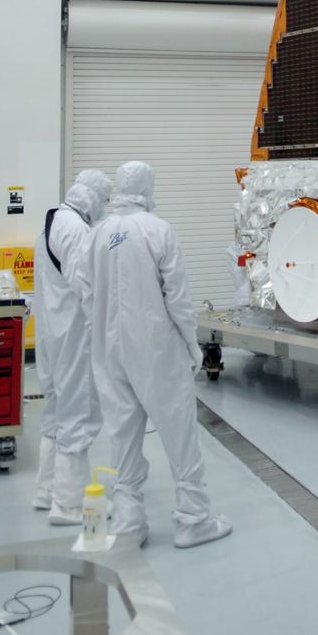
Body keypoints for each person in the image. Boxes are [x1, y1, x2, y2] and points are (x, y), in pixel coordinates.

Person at [86, 161, 232, 549]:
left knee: (122, 434)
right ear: (147, 187)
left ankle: (128, 522)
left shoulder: (97, 235)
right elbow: (178, 299)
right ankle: (193, 518)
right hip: (154, 346)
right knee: (178, 429)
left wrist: (101, 336)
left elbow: (86, 295)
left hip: (108, 347)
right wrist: (189, 342)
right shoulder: (158, 230)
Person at [32, 168, 112, 523]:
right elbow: (87, 287)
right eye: (105, 200)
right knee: (79, 410)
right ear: (93, 196)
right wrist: (106, 334)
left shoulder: (51, 222)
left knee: (56, 411)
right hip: (74, 336)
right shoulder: (76, 230)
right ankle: (70, 504)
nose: (105, 208)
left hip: (51, 333)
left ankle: (46, 490)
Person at [226, 241, 251, 306]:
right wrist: (254, 254)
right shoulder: (234, 247)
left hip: (252, 296)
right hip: (245, 296)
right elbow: (241, 261)